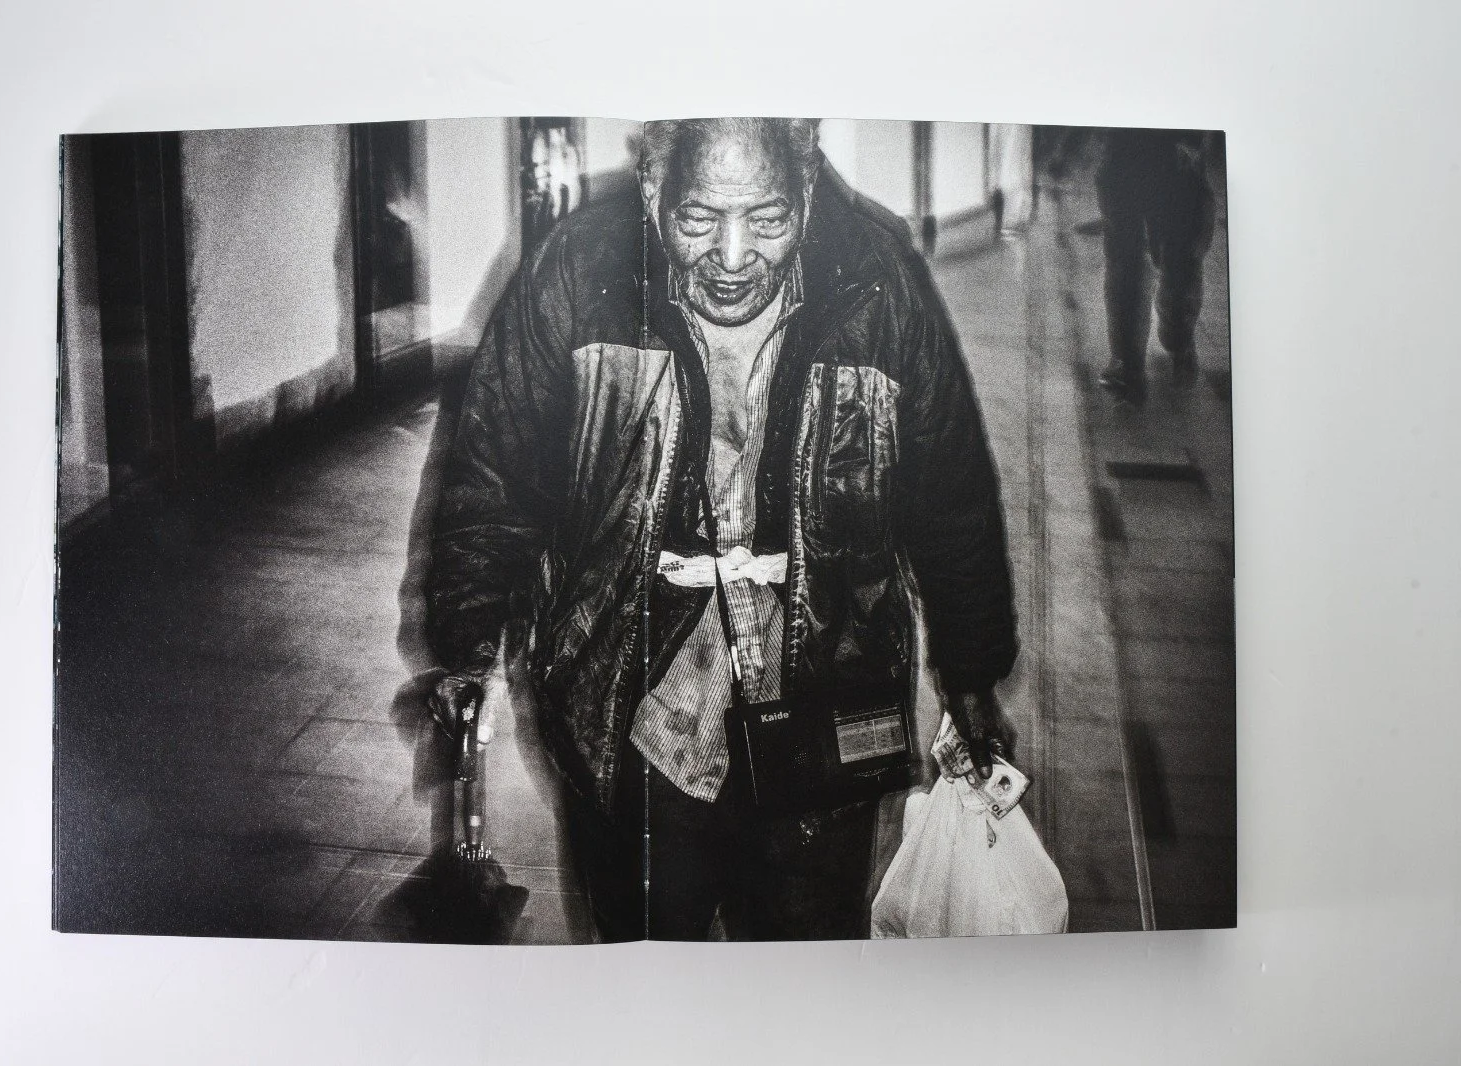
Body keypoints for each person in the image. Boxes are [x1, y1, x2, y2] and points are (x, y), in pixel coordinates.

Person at [425, 118, 1018, 941]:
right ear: (652, 191)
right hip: (636, 707)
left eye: (768, 220)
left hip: (823, 701)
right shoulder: (579, 274)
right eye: (699, 219)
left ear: (806, 192)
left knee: (801, 982)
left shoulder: (879, 285)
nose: (734, 255)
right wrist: (465, 642)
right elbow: (495, 469)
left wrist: (975, 669)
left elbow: (949, 492)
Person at [1095, 128, 1217, 404]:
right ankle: (1128, 362)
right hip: (1124, 153)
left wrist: (1192, 141)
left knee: (1179, 262)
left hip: (1175, 156)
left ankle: (1178, 338)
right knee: (1125, 262)